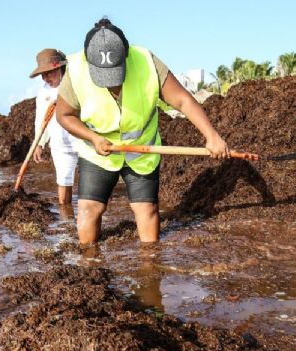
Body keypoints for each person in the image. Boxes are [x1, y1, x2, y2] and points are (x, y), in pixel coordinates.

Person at [56, 18, 229, 244]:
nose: (111, 84)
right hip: (97, 153)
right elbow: (64, 115)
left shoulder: (147, 62)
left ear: (126, 56)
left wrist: (212, 136)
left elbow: (183, 101)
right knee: (89, 210)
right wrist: (93, 137)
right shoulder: (76, 69)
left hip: (142, 151)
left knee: (146, 209)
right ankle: (89, 262)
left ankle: (150, 267)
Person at [30, 48, 79, 206]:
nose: (45, 78)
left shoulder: (74, 83)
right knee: (64, 182)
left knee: (91, 185)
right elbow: (41, 119)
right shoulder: (43, 92)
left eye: (48, 73)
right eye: (42, 75)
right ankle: (66, 222)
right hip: (59, 143)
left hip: (82, 139)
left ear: (59, 68)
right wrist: (39, 143)